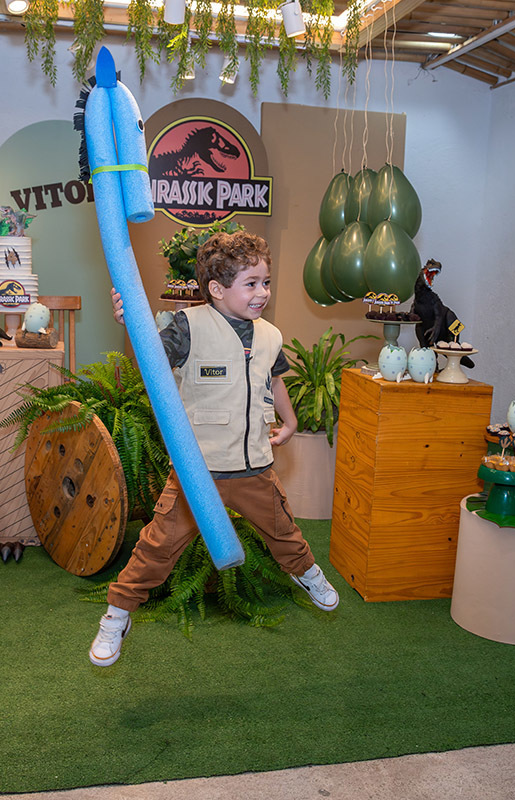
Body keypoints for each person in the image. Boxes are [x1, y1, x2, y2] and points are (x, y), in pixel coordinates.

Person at [90, 230, 340, 666]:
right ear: (217, 289)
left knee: (284, 532)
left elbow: (275, 380)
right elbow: (148, 364)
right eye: (251, 283)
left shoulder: (271, 335)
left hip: (254, 469)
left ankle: (308, 574)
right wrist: (130, 323)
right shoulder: (186, 326)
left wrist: (292, 420)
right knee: (157, 548)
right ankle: (117, 614)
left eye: (266, 281)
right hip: (196, 473)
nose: (262, 292)